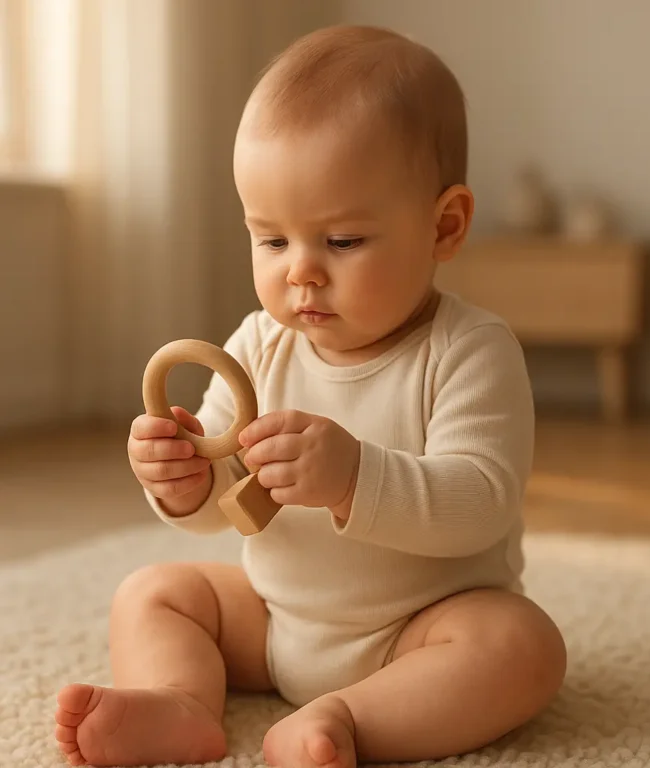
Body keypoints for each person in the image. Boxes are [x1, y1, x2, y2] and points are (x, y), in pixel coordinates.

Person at [54, 24, 566, 768]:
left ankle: (345, 722)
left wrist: (357, 477)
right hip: (276, 620)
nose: (301, 273)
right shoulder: (259, 345)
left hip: (418, 633)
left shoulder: (469, 350)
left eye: (343, 241)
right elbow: (224, 499)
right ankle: (181, 704)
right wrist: (183, 481)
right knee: (153, 591)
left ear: (444, 226)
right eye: (271, 240)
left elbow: (483, 499)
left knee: (523, 646)